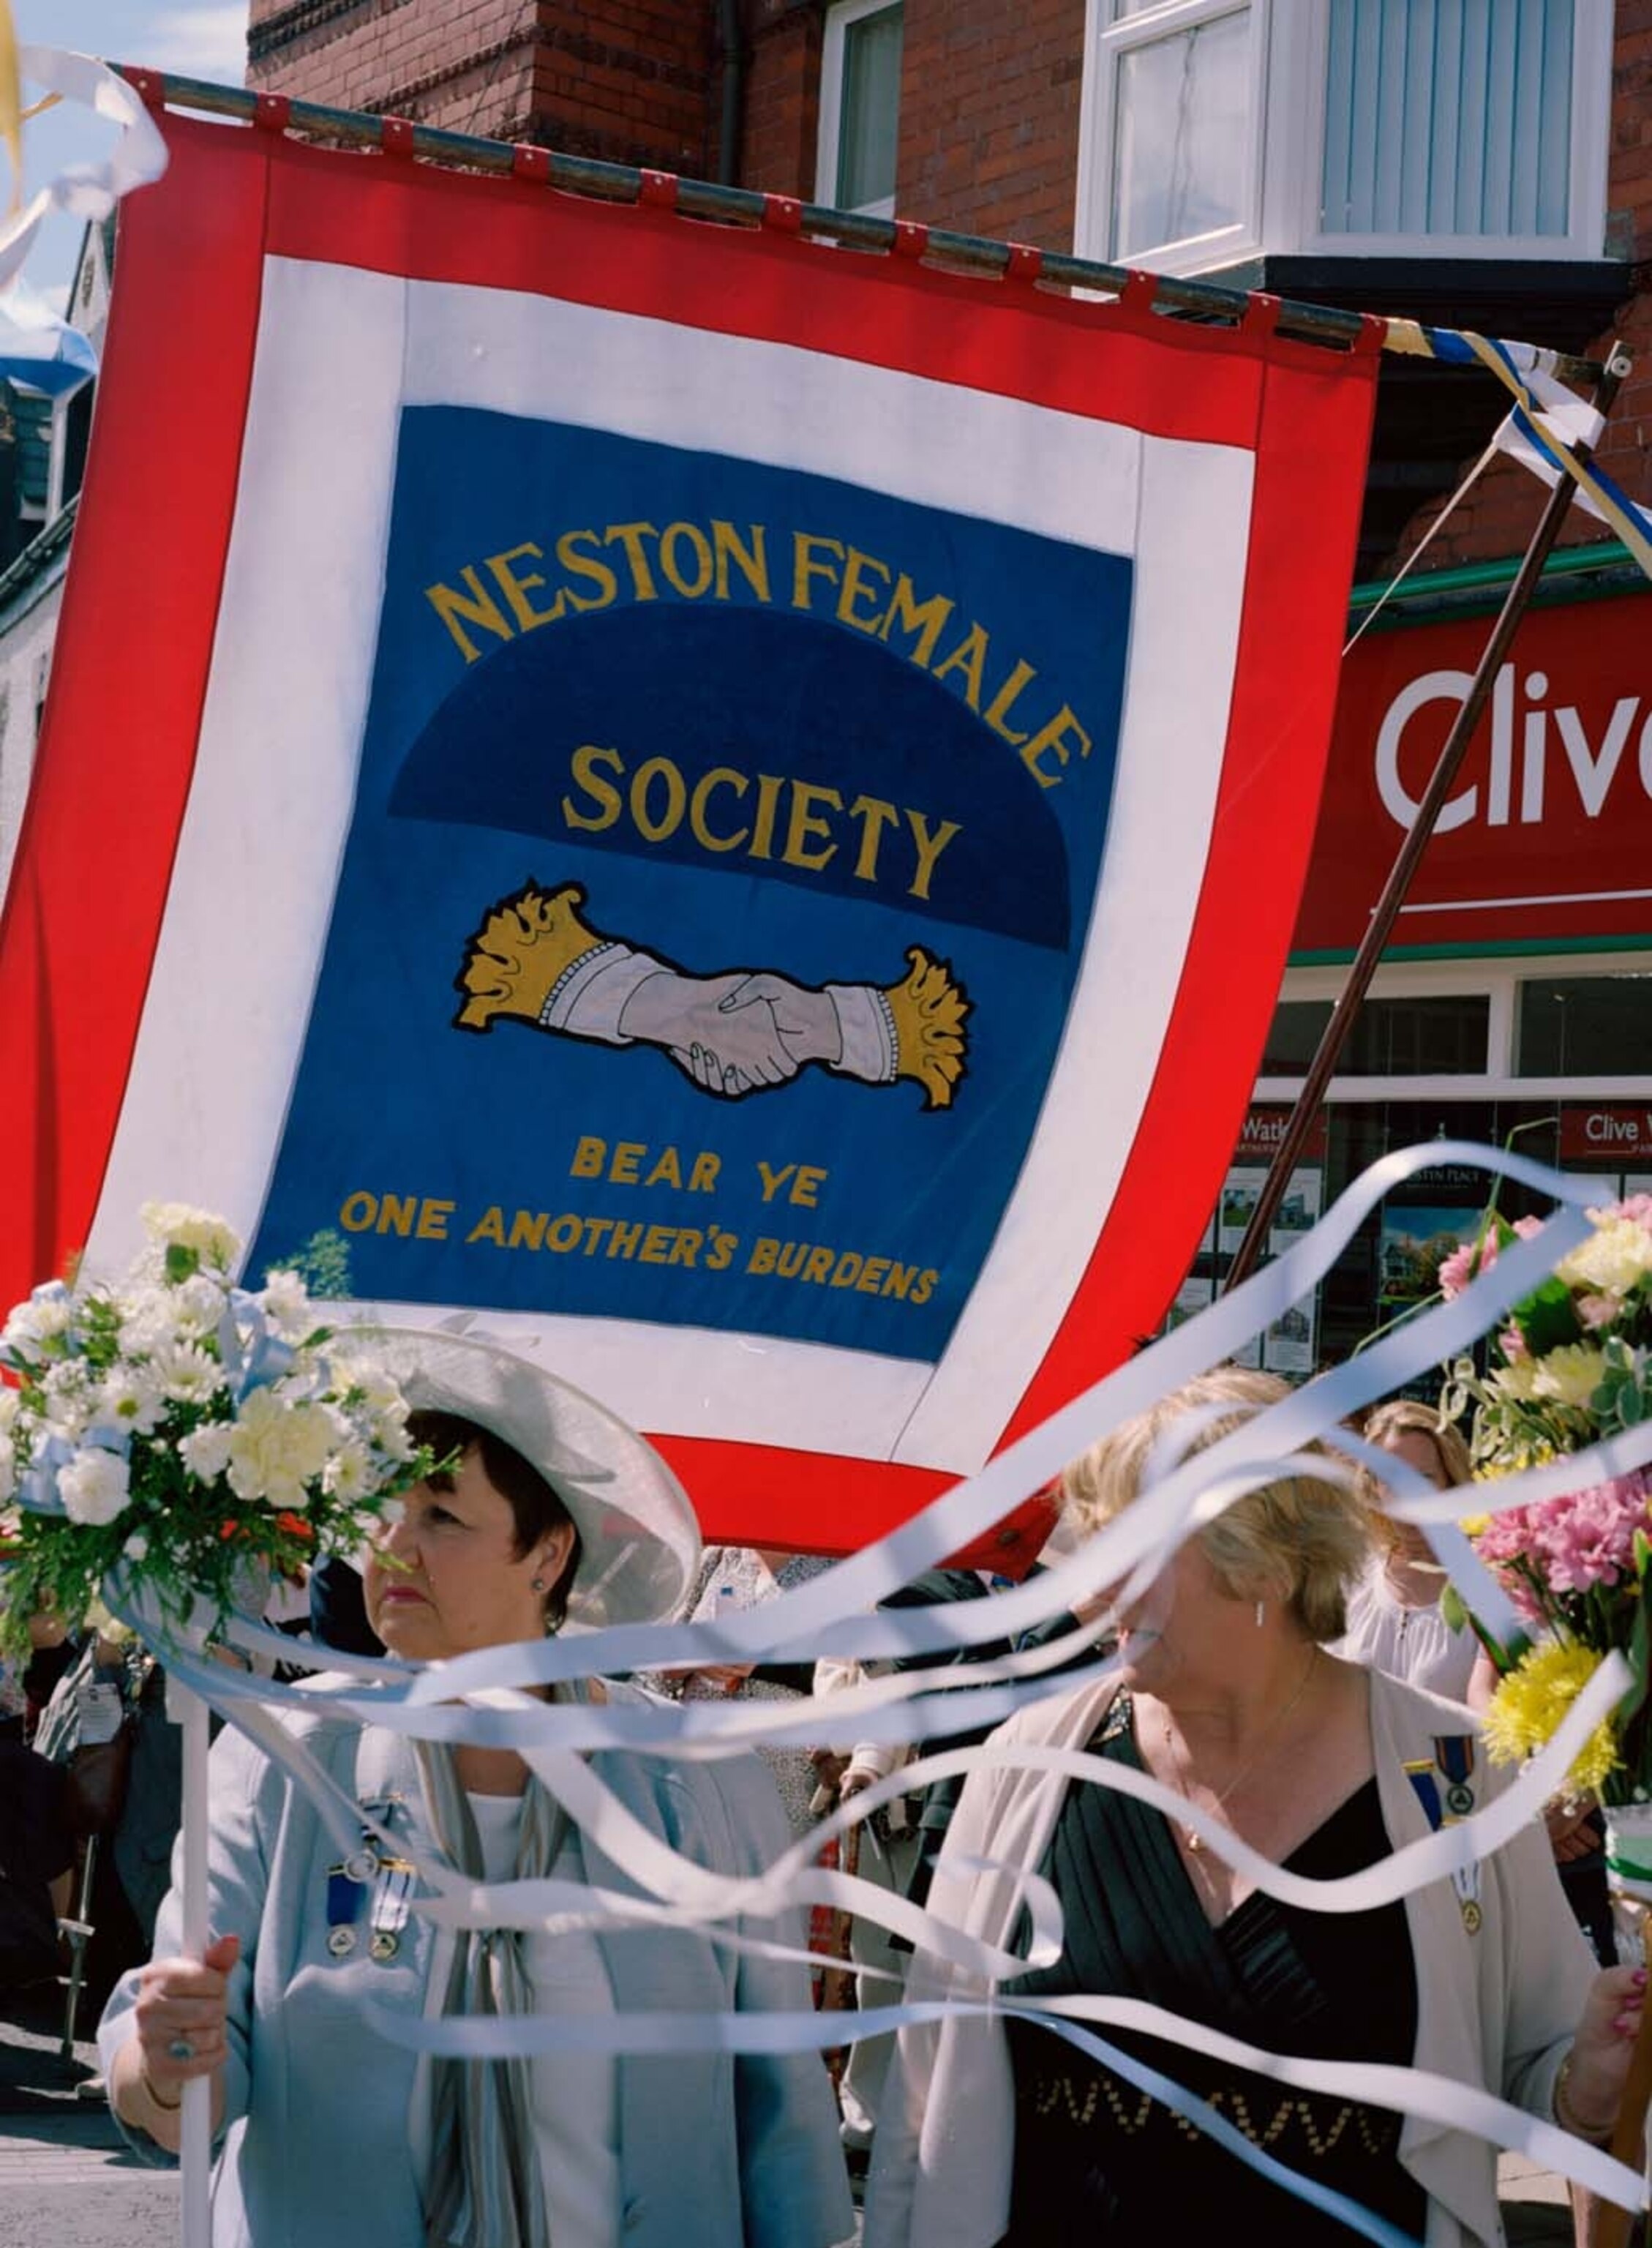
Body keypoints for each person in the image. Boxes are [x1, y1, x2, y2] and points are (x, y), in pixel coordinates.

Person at [100, 1328, 852, 2248]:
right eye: (378, 1510)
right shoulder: (281, 1756)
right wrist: (171, 2058)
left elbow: (779, 2113)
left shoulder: (693, 1779)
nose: (391, 1547)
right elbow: (170, 2087)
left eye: (441, 1518)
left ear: (547, 1555)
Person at [866, 1365, 1645, 2248]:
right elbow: (922, 2100)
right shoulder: (1030, 1762)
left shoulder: (1449, 1769)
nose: (1092, 1588)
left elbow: (1532, 2055)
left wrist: (1584, 2085)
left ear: (1265, 1560)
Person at [1332, 1398, 1481, 1704]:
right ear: (1373, 1486)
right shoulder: (1353, 1576)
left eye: (1425, 1477)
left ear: (1451, 1481)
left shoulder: (1490, 1584)